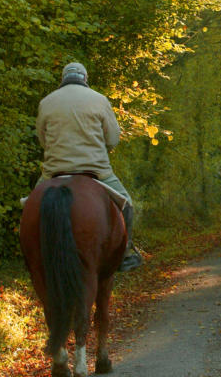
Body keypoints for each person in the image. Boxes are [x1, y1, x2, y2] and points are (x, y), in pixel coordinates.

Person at [35, 62, 142, 272]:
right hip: (96, 171)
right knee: (127, 204)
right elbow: (112, 139)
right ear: (85, 78)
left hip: (53, 171)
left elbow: (42, 140)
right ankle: (125, 253)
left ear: (63, 79)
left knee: (29, 205)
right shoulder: (99, 100)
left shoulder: (46, 102)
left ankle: (32, 255)